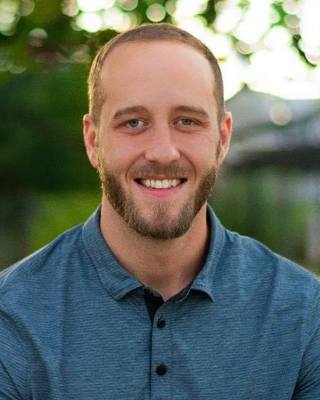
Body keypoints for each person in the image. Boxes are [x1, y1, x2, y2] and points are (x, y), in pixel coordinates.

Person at [0, 23, 319, 400]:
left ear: (222, 138)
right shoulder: (12, 316)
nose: (163, 151)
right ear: (93, 140)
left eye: (187, 121)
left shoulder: (303, 312)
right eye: (133, 122)